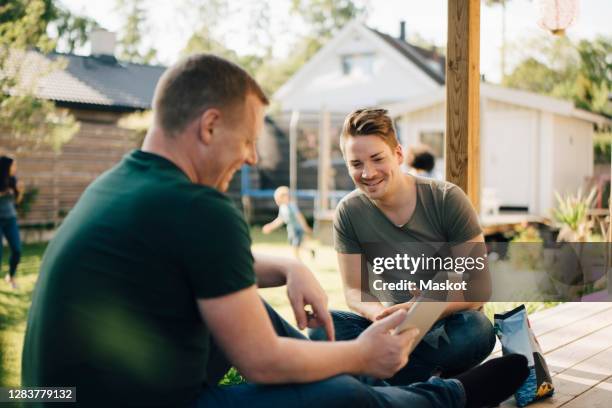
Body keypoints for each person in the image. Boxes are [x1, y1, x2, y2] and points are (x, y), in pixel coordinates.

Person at [22, 55, 527, 408]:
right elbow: (261, 361)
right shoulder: (198, 206)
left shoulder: (118, 182)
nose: (252, 157)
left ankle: (366, 378)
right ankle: (447, 396)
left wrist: (287, 264)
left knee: (251, 306)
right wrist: (363, 353)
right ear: (209, 126)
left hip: (52, 397)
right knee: (343, 395)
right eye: (248, 139)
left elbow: (196, 266)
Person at [309, 108, 497, 385]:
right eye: (356, 164)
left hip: (447, 327)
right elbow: (354, 290)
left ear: (398, 154)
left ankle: (383, 377)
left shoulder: (446, 199)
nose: (368, 172)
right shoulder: (348, 211)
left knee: (477, 330)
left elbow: (478, 286)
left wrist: (421, 305)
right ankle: (416, 379)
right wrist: (380, 317)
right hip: (390, 328)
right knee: (323, 331)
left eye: (377, 159)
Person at [262, 186, 315, 260]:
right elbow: (280, 220)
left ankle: (298, 262)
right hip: (291, 230)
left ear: (285, 197)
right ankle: (310, 251)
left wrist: (305, 227)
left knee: (295, 247)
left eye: (278, 198)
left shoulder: (292, 206)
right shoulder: (282, 207)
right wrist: (270, 227)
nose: (277, 201)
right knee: (298, 245)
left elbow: (299, 217)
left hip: (297, 230)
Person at [0, 155, 22, 290]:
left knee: (17, 250)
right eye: (13, 165)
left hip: (10, 219)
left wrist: (20, 192)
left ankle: (11, 276)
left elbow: (16, 201)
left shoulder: (13, 180)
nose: (15, 168)